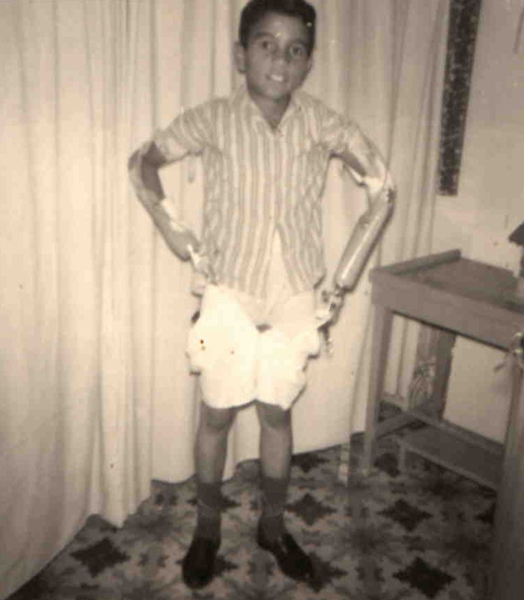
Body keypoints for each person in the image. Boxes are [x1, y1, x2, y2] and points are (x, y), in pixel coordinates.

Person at [128, 0, 395, 590]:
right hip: (229, 292)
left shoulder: (323, 123)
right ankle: (207, 529)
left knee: (277, 414)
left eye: (295, 49)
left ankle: (273, 528)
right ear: (240, 54)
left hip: (295, 294)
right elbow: (143, 162)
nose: (280, 59)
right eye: (267, 44)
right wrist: (177, 232)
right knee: (216, 414)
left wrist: (342, 282)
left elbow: (384, 189)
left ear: (308, 62)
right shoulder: (213, 118)